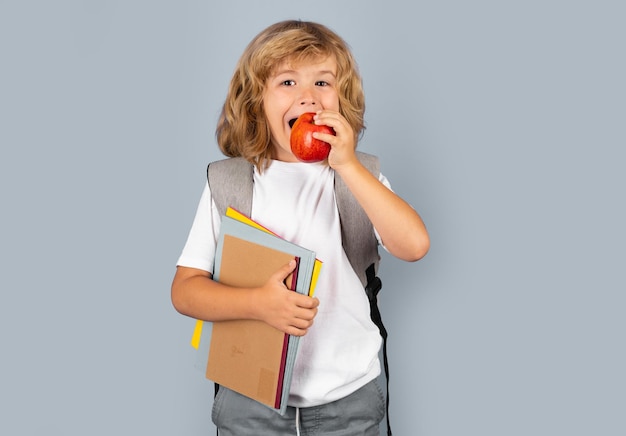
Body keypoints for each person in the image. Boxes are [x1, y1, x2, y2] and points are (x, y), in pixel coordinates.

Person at [171, 19, 430, 435]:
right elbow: (184, 291)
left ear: (342, 101)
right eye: (287, 83)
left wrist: (347, 164)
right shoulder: (229, 184)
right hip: (249, 399)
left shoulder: (359, 177)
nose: (308, 97)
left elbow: (415, 245)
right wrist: (258, 304)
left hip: (350, 395)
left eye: (323, 83)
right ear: (256, 101)